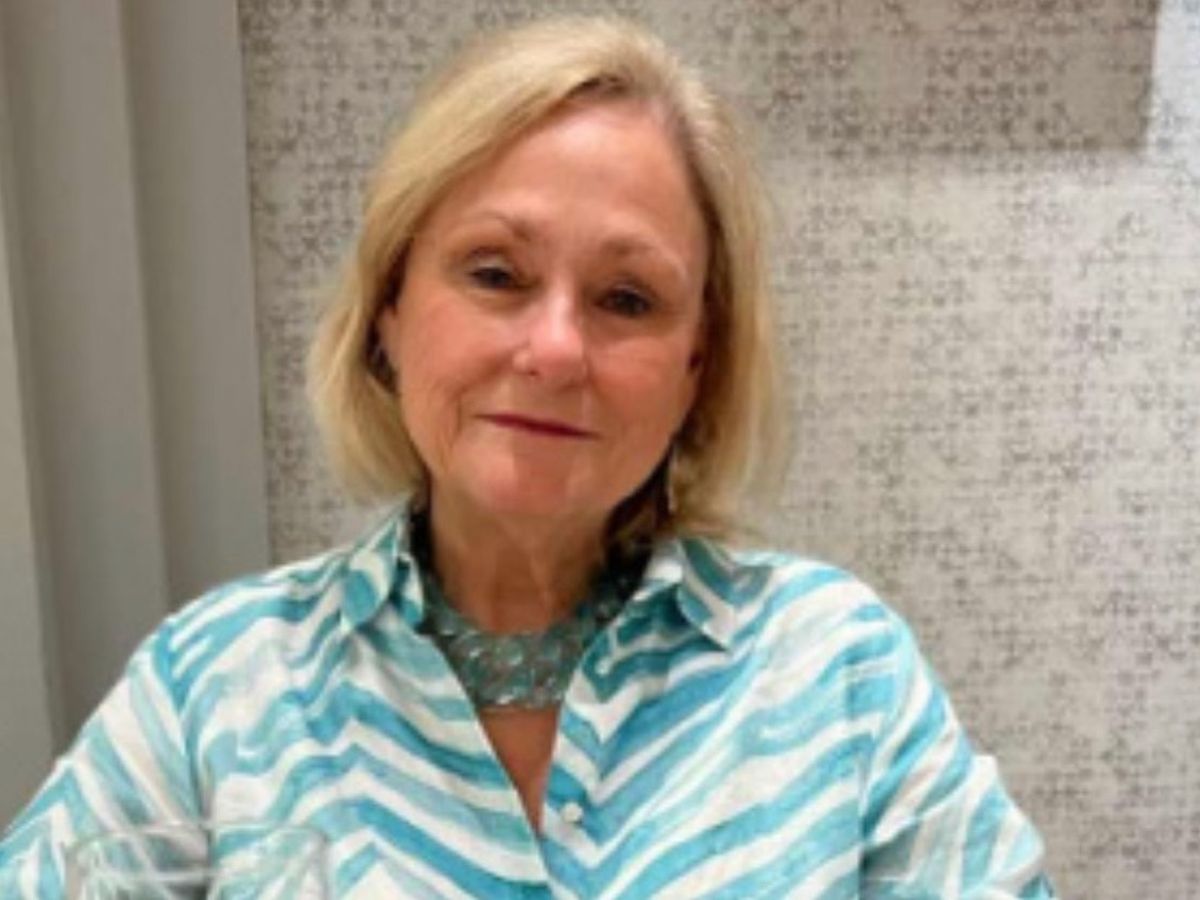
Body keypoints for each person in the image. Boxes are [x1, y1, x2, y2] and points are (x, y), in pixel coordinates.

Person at [0, 17, 1054, 898]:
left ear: (696, 364)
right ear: (390, 311)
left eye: (627, 298)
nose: (554, 350)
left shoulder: (837, 668)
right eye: (495, 274)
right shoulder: (216, 684)